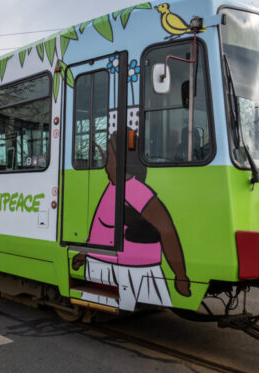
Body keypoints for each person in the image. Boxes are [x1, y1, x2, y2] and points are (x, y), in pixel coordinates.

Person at [72, 130, 191, 311]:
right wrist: (84, 254)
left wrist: (180, 276)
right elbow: (102, 232)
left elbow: (167, 231)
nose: (104, 159)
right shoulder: (113, 187)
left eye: (108, 154)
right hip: (106, 267)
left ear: (120, 159)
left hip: (134, 272)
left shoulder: (135, 191)